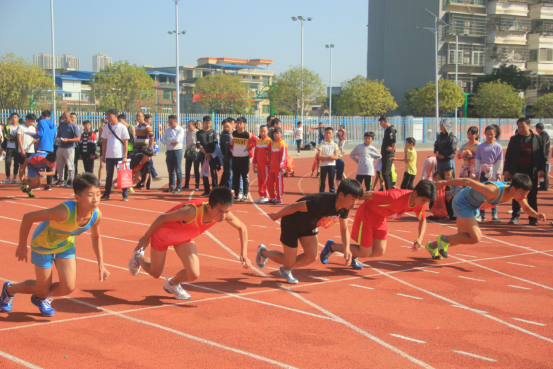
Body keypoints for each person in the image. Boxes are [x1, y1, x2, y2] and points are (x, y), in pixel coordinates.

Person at [0, 173, 109, 317]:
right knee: (42, 287)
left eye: (98, 194)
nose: (95, 199)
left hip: (65, 246)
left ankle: (39, 298)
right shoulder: (64, 212)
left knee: (68, 288)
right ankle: (9, 290)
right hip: (43, 245)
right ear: (77, 198)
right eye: (90, 195)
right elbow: (28, 217)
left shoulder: (96, 215)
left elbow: (96, 237)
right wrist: (22, 245)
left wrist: (101, 264)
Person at [128, 187, 251, 300]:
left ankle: (172, 284)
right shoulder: (191, 212)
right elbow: (162, 218)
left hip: (184, 237)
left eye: (226, 211)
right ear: (209, 207)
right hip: (163, 236)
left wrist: (244, 253)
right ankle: (138, 257)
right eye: (220, 212)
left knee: (193, 274)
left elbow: (242, 227)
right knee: (155, 273)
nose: (223, 216)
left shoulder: (223, 212)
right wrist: (145, 237)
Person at [256, 179, 363, 283]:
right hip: (292, 223)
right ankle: (263, 252)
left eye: (357, 199)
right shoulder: (322, 203)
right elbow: (296, 206)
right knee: (289, 260)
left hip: (308, 226)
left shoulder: (344, 207)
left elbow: (344, 228)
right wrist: (277, 215)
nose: (355, 202)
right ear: (341, 195)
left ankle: (285, 270)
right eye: (353, 199)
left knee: (311, 256)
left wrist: (347, 248)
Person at [426, 174, 546, 260]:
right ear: (513, 189)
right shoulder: (493, 191)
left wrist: (536, 214)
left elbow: (525, 208)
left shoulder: (514, 192)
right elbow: (468, 181)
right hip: (462, 202)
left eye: (526, 195)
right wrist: (443, 183)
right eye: (522, 194)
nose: (524, 197)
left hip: (473, 206)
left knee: (463, 237)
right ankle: (443, 239)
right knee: (476, 237)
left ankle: (432, 246)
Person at [320, 180, 436, 268]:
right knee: (365, 252)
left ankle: (355, 254)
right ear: (415, 193)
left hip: (380, 218)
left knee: (379, 251)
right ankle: (332, 247)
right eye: (423, 200)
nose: (423, 204)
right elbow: (370, 194)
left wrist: (420, 238)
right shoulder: (394, 197)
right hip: (366, 214)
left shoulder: (419, 205)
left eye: (426, 202)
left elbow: (422, 220)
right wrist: (343, 202)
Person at [504, 118, 547, 226]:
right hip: (517, 170)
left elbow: (543, 156)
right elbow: (508, 155)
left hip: (531, 170)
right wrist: (506, 170)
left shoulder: (538, 139)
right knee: (515, 193)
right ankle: (515, 216)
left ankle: (533, 218)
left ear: (529, 125)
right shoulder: (514, 139)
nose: (521, 129)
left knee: (532, 194)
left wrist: (542, 169)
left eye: (523, 126)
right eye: (519, 127)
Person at [475, 125, 503, 222]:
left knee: (494, 193)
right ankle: (481, 215)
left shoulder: (498, 147)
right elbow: (477, 159)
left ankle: (494, 214)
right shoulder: (481, 146)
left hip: (493, 173)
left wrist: (498, 173)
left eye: (491, 134)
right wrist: (477, 172)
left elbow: (499, 161)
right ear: (485, 134)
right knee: (483, 193)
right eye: (487, 134)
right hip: (483, 172)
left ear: (495, 134)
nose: (489, 136)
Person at [100, 109, 130, 201]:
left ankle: (125, 193)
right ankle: (106, 194)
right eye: (107, 116)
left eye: (110, 116)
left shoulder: (122, 127)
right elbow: (104, 142)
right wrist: (103, 154)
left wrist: (125, 156)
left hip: (120, 156)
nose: (108, 118)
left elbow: (126, 142)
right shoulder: (106, 127)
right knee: (109, 175)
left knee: (122, 175)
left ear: (115, 116)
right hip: (109, 156)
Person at [53, 112, 81, 188]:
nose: (64, 119)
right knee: (59, 164)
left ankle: (70, 180)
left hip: (69, 148)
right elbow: (59, 132)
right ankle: (61, 180)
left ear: (70, 117)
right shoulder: (62, 124)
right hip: (60, 146)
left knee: (70, 165)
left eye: (66, 117)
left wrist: (68, 140)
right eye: (63, 118)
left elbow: (78, 138)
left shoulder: (74, 126)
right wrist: (58, 138)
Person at [31, 110, 57, 190]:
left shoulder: (41, 122)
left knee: (39, 164)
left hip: (42, 146)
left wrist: (34, 136)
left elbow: (40, 133)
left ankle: (37, 184)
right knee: (49, 166)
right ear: (50, 116)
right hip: (50, 147)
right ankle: (48, 184)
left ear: (42, 116)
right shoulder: (54, 125)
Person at [161, 115, 185, 194]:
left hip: (177, 151)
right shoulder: (167, 130)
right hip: (169, 151)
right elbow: (162, 139)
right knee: (170, 170)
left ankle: (178, 187)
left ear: (175, 121)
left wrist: (168, 140)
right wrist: (170, 141)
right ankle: (171, 187)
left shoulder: (180, 129)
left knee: (178, 170)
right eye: (169, 122)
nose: (170, 124)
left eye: (171, 122)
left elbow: (178, 139)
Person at [231, 117, 253, 202]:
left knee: (245, 177)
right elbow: (232, 142)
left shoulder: (248, 134)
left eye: (241, 123)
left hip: (244, 158)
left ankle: (245, 194)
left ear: (245, 124)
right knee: (236, 177)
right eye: (238, 123)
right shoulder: (234, 133)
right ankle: (236, 194)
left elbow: (256, 140)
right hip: (235, 157)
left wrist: (250, 146)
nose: (239, 124)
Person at [196, 116, 218, 196]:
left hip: (212, 155)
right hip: (203, 155)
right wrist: (206, 153)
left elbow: (215, 143)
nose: (208, 125)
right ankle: (207, 190)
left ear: (211, 123)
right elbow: (198, 144)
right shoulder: (199, 133)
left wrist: (210, 153)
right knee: (205, 173)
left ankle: (215, 190)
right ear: (203, 123)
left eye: (209, 123)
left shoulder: (213, 132)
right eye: (206, 123)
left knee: (213, 172)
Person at [266, 127, 288, 205]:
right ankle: (272, 198)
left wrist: (282, 167)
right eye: (275, 133)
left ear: (281, 134)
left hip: (279, 168)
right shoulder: (273, 143)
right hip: (272, 167)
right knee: (269, 182)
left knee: (279, 184)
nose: (276, 134)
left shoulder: (283, 144)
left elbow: (284, 156)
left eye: (278, 133)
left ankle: (279, 199)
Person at [252, 124, 271, 203]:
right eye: (261, 131)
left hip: (266, 165)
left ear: (267, 131)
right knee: (260, 180)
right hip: (259, 164)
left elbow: (272, 154)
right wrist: (254, 163)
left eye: (264, 131)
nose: (262, 133)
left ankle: (266, 195)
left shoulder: (270, 141)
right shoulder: (258, 141)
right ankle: (261, 195)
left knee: (265, 180)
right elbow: (255, 153)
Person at [319, 127, 339, 193]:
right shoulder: (321, 144)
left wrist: (324, 158)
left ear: (332, 134)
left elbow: (336, 157)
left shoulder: (335, 145)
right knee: (322, 182)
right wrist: (330, 157)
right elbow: (319, 156)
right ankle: (321, 194)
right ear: (324, 134)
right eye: (327, 133)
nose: (328, 135)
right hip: (323, 165)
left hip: (332, 165)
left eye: (330, 133)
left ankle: (332, 194)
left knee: (331, 182)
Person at [2, 113, 21, 184]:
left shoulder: (20, 127)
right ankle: (7, 177)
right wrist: (14, 138)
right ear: (10, 118)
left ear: (17, 119)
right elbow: (6, 136)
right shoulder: (7, 127)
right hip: (9, 147)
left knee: (16, 163)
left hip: (17, 148)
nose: (14, 119)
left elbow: (20, 137)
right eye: (12, 117)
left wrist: (14, 138)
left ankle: (15, 178)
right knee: (7, 162)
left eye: (15, 117)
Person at [379, 115, 396, 190]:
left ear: (383, 122)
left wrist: (392, 149)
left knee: (385, 173)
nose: (380, 125)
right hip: (385, 153)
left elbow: (393, 139)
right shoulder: (387, 129)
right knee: (387, 172)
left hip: (388, 154)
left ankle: (389, 189)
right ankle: (390, 189)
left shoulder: (390, 129)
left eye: (380, 123)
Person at [185, 120, 200, 190]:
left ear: (194, 126)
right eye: (187, 126)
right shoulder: (187, 132)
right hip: (188, 152)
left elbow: (198, 143)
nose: (188, 127)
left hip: (196, 152)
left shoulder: (197, 132)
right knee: (187, 169)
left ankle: (197, 185)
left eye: (189, 125)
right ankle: (186, 185)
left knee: (196, 169)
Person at [535, 123, 550, 191]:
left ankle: (544, 185)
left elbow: (543, 147)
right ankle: (543, 184)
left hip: (543, 155)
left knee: (543, 170)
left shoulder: (543, 136)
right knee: (542, 170)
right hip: (544, 154)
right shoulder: (544, 135)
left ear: (538, 128)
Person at [218, 119, 233, 189]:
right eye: (224, 127)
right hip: (228, 156)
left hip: (237, 155)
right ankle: (228, 188)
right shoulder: (223, 134)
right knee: (229, 173)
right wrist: (236, 141)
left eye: (227, 126)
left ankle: (233, 187)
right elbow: (227, 144)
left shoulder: (236, 132)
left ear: (231, 125)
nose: (226, 128)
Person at [97, 118, 107, 187]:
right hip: (103, 147)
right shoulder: (102, 127)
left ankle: (109, 181)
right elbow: (99, 139)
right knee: (102, 165)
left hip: (109, 148)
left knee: (109, 166)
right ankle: (99, 181)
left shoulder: (111, 127)